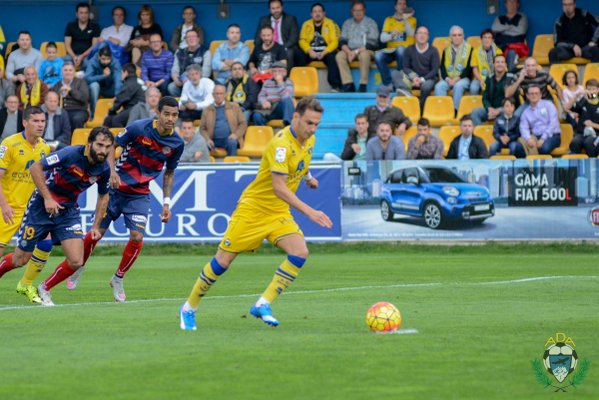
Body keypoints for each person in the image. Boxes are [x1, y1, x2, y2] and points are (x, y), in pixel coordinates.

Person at [179, 96, 332, 330]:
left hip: (278, 212)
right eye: (309, 123)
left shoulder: (308, 141)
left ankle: (262, 304)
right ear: (296, 118)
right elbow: (279, 187)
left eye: (316, 124)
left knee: (300, 252)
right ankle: (189, 307)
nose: (312, 129)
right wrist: (310, 212)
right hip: (253, 210)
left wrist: (308, 178)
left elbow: (301, 162)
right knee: (222, 261)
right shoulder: (280, 145)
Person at [64, 97, 184, 302]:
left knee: (137, 237)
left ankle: (118, 278)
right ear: (158, 112)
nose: (170, 119)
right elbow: (112, 147)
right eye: (167, 114)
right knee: (96, 233)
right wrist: (111, 171)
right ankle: (79, 266)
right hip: (115, 189)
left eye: (174, 115)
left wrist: (166, 203)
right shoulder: (139, 128)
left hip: (139, 193)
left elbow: (169, 173)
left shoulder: (177, 143)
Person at [0, 126, 113, 306]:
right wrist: (47, 198)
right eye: (100, 145)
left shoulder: (103, 168)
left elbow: (104, 195)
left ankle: (45, 288)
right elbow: (36, 167)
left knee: (77, 260)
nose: (103, 151)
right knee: (19, 259)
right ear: (89, 143)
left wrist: (95, 226)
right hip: (40, 207)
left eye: (108, 147)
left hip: (67, 211)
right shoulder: (69, 153)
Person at [0, 106, 52, 304]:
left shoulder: (44, 148)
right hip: (7, 207)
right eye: (36, 121)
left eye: (42, 121)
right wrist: (4, 205)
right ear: (25, 122)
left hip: (31, 210)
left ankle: (25, 284)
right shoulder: (9, 144)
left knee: (45, 242)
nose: (40, 125)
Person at [335, 0, 379, 93]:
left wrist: (356, 52)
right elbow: (342, 41)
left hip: (366, 50)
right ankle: (348, 84)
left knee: (364, 55)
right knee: (339, 56)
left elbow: (372, 43)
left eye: (360, 10)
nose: (358, 12)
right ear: (352, 11)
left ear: (364, 10)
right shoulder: (347, 23)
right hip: (350, 50)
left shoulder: (371, 22)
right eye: (355, 10)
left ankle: (363, 85)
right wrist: (349, 52)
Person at [391, 26, 439, 109]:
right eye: (420, 33)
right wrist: (414, 77)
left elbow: (434, 70)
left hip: (428, 78)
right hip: (413, 78)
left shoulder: (433, 50)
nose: (422, 35)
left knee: (426, 87)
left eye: (425, 33)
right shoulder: (409, 49)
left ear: (428, 36)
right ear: (416, 36)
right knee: (395, 74)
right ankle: (406, 92)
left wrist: (421, 80)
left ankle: (420, 110)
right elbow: (405, 67)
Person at [298, 3, 342, 92]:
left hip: (326, 52)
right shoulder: (306, 24)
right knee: (298, 55)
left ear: (324, 13)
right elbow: (302, 40)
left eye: (319, 11)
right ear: (311, 14)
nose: (317, 14)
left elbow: (335, 41)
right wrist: (309, 51)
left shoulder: (331, 23)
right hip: (311, 52)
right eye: (315, 12)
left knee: (333, 57)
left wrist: (325, 51)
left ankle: (335, 86)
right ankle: (300, 84)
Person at [375, 0, 416, 88]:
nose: (402, 6)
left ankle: (400, 81)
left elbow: (411, 33)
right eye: (399, 4)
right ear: (395, 7)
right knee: (378, 55)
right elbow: (382, 38)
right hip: (391, 51)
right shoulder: (389, 19)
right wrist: (391, 36)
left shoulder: (412, 20)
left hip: (406, 52)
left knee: (400, 50)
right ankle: (389, 84)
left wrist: (405, 19)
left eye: (404, 4)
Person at [200, 83, 247, 156]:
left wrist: (236, 135)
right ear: (213, 95)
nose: (219, 96)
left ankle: (232, 166)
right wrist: (207, 139)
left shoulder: (234, 107)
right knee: (203, 145)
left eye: (221, 94)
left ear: (225, 95)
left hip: (229, 139)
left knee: (232, 143)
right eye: (217, 94)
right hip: (213, 140)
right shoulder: (207, 110)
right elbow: (202, 128)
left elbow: (243, 123)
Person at [434, 25, 474, 110]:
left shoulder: (470, 49)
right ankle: (443, 110)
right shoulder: (446, 50)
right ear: (450, 37)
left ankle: (456, 111)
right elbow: (443, 68)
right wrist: (448, 79)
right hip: (449, 79)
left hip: (463, 78)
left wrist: (456, 80)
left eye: (459, 35)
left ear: (463, 36)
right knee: (439, 86)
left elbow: (468, 70)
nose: (457, 37)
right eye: (454, 35)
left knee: (458, 86)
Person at [516, 85, 561, 157]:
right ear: (527, 96)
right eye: (531, 94)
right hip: (535, 137)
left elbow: (553, 123)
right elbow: (523, 128)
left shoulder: (548, 105)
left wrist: (543, 138)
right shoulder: (526, 112)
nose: (534, 95)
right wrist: (528, 139)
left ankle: (545, 167)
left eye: (536, 93)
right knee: (518, 147)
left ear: (540, 95)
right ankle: (528, 167)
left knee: (544, 148)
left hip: (552, 136)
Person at [255, 0, 300, 70]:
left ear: (282, 7)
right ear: (269, 9)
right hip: (268, 46)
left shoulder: (290, 19)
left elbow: (294, 37)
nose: (276, 10)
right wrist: (262, 48)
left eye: (278, 8)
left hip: (285, 46)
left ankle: (287, 77)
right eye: (273, 8)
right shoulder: (263, 20)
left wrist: (280, 48)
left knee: (289, 53)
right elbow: (257, 37)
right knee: (258, 52)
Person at [168, 30, 211, 96]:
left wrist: (191, 81)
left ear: (198, 39)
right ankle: (182, 103)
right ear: (185, 40)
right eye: (188, 37)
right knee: (171, 87)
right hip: (182, 81)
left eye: (193, 36)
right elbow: (175, 69)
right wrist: (176, 80)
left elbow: (206, 72)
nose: (191, 39)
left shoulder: (205, 51)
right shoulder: (179, 52)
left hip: (199, 81)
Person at [471, 55, 510, 126]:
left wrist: (498, 111)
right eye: (497, 62)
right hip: (491, 109)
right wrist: (489, 108)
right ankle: (480, 133)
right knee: (475, 112)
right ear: (494, 65)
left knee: (507, 112)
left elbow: (513, 100)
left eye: (502, 62)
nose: (500, 64)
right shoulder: (489, 79)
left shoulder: (510, 78)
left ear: (505, 65)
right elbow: (485, 98)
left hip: (505, 109)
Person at [252, 61, 294, 127]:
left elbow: (286, 96)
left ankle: (288, 125)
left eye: (279, 71)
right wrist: (264, 102)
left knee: (287, 101)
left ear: (285, 73)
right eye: (274, 71)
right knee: (256, 115)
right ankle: (264, 133)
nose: (277, 73)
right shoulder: (267, 82)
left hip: (280, 108)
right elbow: (261, 95)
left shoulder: (288, 82)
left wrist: (280, 82)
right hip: (269, 109)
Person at [103, 63, 145, 128]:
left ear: (125, 72)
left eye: (122, 73)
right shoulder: (138, 81)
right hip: (141, 109)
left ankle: (124, 137)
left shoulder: (130, 83)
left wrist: (110, 112)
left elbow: (120, 100)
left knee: (116, 120)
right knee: (109, 119)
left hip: (136, 109)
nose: (121, 75)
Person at [85, 46, 122, 118]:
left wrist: (117, 95)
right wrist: (103, 76)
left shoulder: (115, 62)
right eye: (103, 59)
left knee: (122, 84)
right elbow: (87, 79)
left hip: (110, 89)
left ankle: (117, 114)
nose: (106, 61)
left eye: (108, 59)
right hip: (97, 91)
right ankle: (93, 114)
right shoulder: (93, 62)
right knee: (94, 85)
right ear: (99, 57)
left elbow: (118, 80)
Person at [51, 61, 90, 130]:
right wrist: (59, 92)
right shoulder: (57, 85)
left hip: (79, 110)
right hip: (62, 110)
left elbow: (84, 98)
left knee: (76, 119)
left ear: (74, 72)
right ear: (62, 72)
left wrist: (71, 90)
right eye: (65, 70)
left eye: (70, 70)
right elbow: (51, 99)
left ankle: (76, 139)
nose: (68, 72)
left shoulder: (81, 82)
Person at [565, 79, 599, 156]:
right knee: (574, 142)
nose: (591, 91)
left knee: (589, 142)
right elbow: (567, 107)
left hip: (596, 134)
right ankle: (576, 164)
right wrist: (576, 95)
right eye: (589, 89)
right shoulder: (583, 101)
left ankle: (593, 165)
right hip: (581, 133)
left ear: (598, 90)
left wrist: (593, 124)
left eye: (593, 89)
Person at [492, 0, 528, 71]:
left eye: (514, 2)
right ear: (506, 4)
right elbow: (494, 28)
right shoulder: (499, 18)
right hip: (499, 45)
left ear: (518, 5)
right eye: (509, 2)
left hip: (515, 47)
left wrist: (502, 29)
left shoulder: (522, 17)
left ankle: (510, 75)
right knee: (490, 52)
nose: (511, 4)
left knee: (511, 52)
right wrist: (511, 27)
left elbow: (521, 31)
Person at [64, 2, 101, 70]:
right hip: (72, 55)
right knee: (61, 61)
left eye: (86, 13)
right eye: (81, 13)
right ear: (77, 14)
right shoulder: (70, 25)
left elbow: (94, 46)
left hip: (88, 56)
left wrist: (82, 56)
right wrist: (74, 57)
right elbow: (67, 45)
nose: (84, 15)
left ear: (88, 14)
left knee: (89, 63)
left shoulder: (95, 26)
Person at [470, 29, 503, 95]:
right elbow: (475, 69)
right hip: (479, 78)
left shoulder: (498, 51)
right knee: (473, 88)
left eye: (489, 37)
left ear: (492, 40)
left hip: (494, 77)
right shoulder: (475, 52)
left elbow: (501, 67)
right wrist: (481, 80)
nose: (487, 40)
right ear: (481, 39)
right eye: (484, 37)